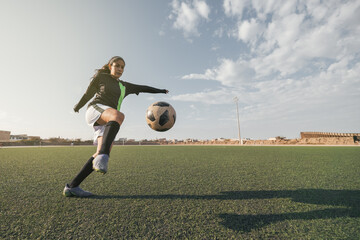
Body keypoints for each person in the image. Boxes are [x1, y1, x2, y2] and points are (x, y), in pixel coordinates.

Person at [63, 56, 168, 197]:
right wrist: (78, 106)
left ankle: (72, 187)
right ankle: (104, 156)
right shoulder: (102, 77)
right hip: (96, 109)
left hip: (107, 119)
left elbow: (143, 88)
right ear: (110, 66)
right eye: (117, 65)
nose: (120, 69)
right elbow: (88, 93)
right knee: (118, 116)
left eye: (122, 67)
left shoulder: (125, 86)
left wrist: (161, 91)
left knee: (100, 152)